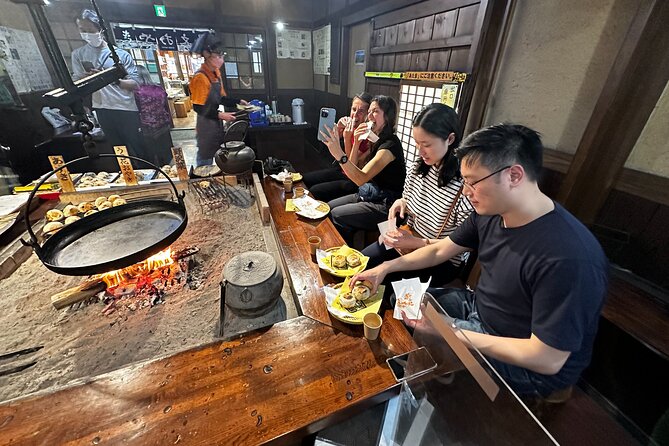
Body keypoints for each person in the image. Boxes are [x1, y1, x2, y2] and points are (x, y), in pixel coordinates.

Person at [351, 124, 609, 397]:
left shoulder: (570, 258)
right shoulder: (489, 213)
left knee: (439, 369)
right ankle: (435, 371)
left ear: (514, 175)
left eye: (473, 182)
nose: (465, 192)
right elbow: (440, 250)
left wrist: (451, 332)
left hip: (526, 359)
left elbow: (547, 358)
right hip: (480, 309)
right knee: (401, 299)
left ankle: (438, 383)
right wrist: (384, 268)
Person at [362, 103, 474, 286]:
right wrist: (401, 201)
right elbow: (406, 196)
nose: (420, 151)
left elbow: (465, 243)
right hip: (408, 239)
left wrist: (416, 242)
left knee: (379, 285)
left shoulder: (464, 184)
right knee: (361, 262)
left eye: (426, 145)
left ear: (451, 138)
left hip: (440, 258)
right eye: (417, 143)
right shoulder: (419, 166)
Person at [320, 95, 406, 248]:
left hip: (386, 203)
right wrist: (355, 141)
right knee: (328, 207)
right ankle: (346, 245)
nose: (370, 116)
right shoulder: (375, 138)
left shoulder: (390, 145)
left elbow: (360, 178)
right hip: (370, 193)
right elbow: (352, 169)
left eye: (376, 111)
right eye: (370, 111)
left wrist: (338, 153)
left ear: (388, 117)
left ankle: (346, 253)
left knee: (337, 215)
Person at [71, 9, 148, 163]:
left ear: (99, 28)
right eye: (82, 30)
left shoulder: (120, 54)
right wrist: (88, 79)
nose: (86, 34)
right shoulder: (78, 55)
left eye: (90, 30)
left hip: (126, 108)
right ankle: (130, 181)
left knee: (138, 148)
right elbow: (76, 83)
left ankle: (149, 176)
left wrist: (113, 79)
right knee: (118, 151)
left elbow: (135, 84)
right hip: (102, 108)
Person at [303, 93, 372, 202]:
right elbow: (327, 141)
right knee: (304, 179)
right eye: (354, 109)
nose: (355, 114)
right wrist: (339, 126)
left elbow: (351, 166)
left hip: (352, 179)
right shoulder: (351, 126)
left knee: (314, 191)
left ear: (368, 115)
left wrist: (347, 138)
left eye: (361, 111)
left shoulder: (367, 135)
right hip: (340, 170)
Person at [190, 40, 247, 166]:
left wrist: (238, 101)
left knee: (218, 152)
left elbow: (220, 98)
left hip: (215, 122)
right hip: (205, 123)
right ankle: (202, 181)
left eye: (222, 56)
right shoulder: (200, 77)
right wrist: (221, 115)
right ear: (207, 56)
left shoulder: (216, 74)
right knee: (205, 155)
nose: (221, 60)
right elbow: (198, 107)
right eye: (218, 57)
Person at [133, 65, 174, 165]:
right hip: (163, 124)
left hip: (146, 128)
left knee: (150, 156)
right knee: (166, 153)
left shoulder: (136, 92)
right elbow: (165, 106)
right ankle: (168, 172)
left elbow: (136, 110)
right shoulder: (158, 88)